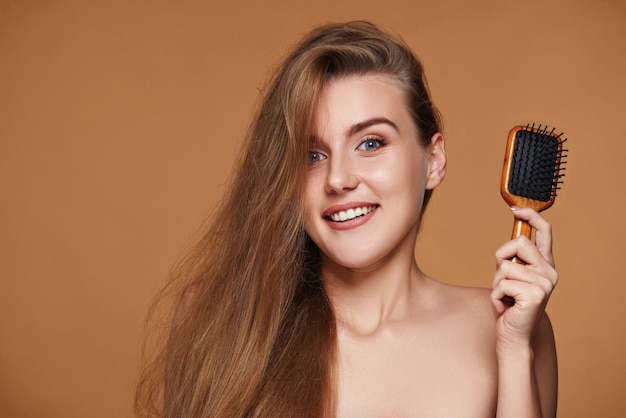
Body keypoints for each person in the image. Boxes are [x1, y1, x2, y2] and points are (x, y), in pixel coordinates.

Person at [136, 21, 558, 417]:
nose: (337, 179)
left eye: (371, 142)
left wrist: (514, 348)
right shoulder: (225, 319)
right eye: (312, 155)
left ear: (433, 159)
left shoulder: (509, 328)